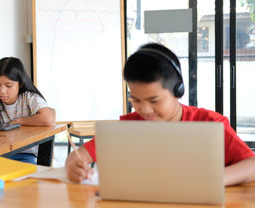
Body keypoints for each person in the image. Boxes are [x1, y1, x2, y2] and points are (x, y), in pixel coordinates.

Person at [66, 43, 255, 186]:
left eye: (154, 101)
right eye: (136, 100)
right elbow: (79, 156)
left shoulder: (210, 123)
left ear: (177, 90)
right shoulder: (128, 127)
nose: (145, 110)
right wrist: (74, 165)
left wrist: (215, 179)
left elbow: (251, 165)